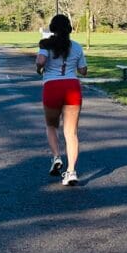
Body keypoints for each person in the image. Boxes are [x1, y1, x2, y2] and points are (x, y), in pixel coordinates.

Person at [36, 13, 87, 186]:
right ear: (69, 29)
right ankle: (71, 172)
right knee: (71, 133)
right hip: (72, 87)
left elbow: (41, 61)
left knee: (51, 126)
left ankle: (57, 156)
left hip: (52, 87)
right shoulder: (77, 47)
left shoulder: (46, 45)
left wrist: (39, 68)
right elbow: (83, 71)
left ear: (53, 28)